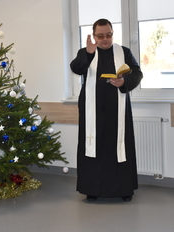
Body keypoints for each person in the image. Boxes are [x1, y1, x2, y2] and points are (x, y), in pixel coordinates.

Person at [70, 19, 143, 202]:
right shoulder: (86, 52)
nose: (105, 39)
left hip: (117, 107)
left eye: (108, 35)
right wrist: (88, 53)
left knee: (118, 146)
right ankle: (92, 188)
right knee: (93, 146)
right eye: (100, 36)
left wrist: (124, 82)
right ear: (94, 36)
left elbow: (137, 72)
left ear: (112, 33)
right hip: (92, 109)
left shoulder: (123, 51)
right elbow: (76, 68)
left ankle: (123, 188)